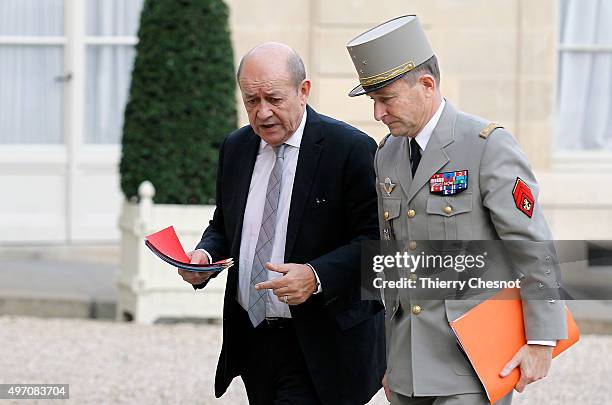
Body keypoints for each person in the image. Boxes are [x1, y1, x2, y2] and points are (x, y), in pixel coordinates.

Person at [345, 16, 567, 405]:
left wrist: (541, 340)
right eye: (372, 101)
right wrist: (392, 358)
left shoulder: (486, 146)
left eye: (386, 99)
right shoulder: (387, 154)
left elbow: (532, 246)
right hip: (406, 369)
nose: (378, 114)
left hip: (472, 365)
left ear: (427, 85)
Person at [177, 42, 385, 405]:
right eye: (251, 101)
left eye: (273, 98)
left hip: (322, 344)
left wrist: (316, 276)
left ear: (303, 91)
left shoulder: (349, 149)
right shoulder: (236, 147)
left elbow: (377, 243)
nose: (263, 113)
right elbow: (224, 226)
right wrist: (205, 256)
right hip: (253, 339)